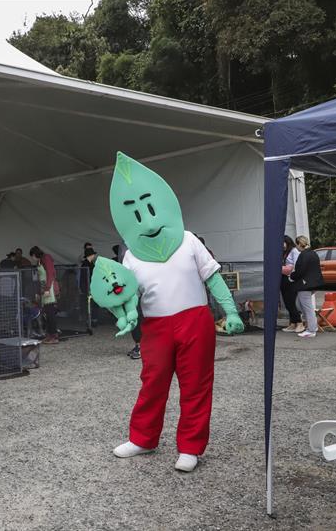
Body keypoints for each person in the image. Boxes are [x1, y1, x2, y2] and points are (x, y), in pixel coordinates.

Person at [90, 152, 244, 473]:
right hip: (155, 328)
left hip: (195, 322)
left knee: (196, 384)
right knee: (152, 382)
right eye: (134, 211)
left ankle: (190, 447)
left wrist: (231, 311)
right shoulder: (131, 255)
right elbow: (130, 294)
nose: (145, 217)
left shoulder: (188, 240)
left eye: (149, 205)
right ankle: (143, 438)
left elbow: (212, 277)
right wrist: (129, 315)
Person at [289, 236, 323, 338]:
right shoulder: (313, 253)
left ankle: (311, 330)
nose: (296, 247)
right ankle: (311, 326)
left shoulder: (303, 255)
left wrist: (291, 276)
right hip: (314, 284)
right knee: (299, 304)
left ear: (299, 244)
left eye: (296, 245)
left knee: (307, 308)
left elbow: (299, 271)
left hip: (305, 285)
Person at [29, 246, 60, 344]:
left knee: (50, 312)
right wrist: (39, 292)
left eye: (32, 256)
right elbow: (40, 278)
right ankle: (49, 334)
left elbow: (50, 274)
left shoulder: (46, 258)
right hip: (44, 288)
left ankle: (54, 336)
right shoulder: (40, 261)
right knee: (46, 313)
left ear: (34, 254)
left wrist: (47, 289)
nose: (32, 258)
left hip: (49, 288)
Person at [280, 236, 303, 333]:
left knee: (291, 302)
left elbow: (297, 265)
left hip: (291, 279)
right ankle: (293, 323)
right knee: (287, 303)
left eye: (283, 243)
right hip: (283, 278)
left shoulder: (294, 251)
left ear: (287, 242)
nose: (281, 245)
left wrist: (287, 270)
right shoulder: (284, 252)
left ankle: (299, 323)